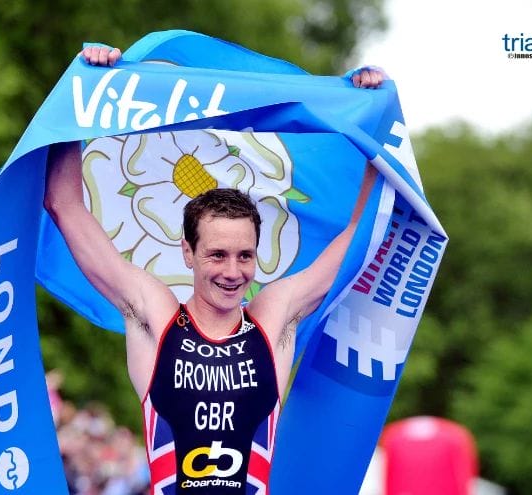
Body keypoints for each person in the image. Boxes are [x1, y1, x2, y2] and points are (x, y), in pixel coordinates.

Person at [46, 45, 383, 493]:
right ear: (188, 253)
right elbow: (64, 204)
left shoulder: (273, 318)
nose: (232, 271)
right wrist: (82, 91)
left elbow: (359, 234)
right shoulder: (156, 315)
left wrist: (373, 116)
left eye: (245, 256)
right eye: (217, 255)